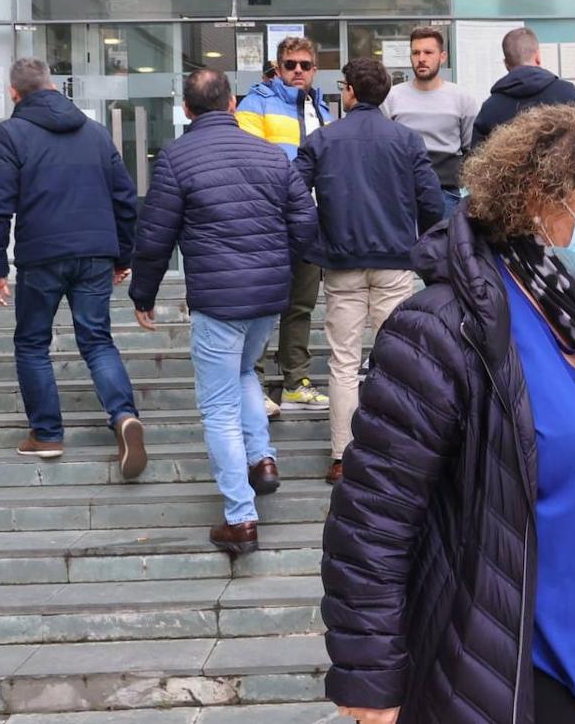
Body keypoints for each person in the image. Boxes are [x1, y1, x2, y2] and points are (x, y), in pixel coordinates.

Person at [321, 102, 575, 724]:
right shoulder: (441, 328)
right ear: (539, 200)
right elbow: (373, 518)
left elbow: (569, 443)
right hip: (504, 669)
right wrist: (371, 677)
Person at [129, 70, 317, 555]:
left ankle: (240, 517)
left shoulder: (176, 158)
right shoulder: (270, 155)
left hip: (217, 301)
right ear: (232, 103)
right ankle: (263, 459)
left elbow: (155, 237)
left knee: (217, 407)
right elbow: (305, 220)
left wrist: (143, 295)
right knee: (244, 375)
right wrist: (283, 267)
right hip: (267, 296)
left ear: (187, 109)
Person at [0, 57, 147, 478]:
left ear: (14, 93)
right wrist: (122, 256)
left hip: (41, 255)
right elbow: (126, 199)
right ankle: (124, 416)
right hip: (94, 252)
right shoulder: (94, 132)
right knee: (96, 340)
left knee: (33, 343)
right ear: (54, 87)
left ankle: (47, 434)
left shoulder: (9, 134)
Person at [293, 58, 443, 485]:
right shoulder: (407, 140)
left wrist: (313, 242)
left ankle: (342, 456)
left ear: (351, 91)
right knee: (398, 360)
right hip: (395, 261)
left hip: (341, 264)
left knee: (343, 362)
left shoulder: (323, 139)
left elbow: (293, 194)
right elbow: (431, 201)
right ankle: (398, 450)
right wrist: (425, 245)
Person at [237, 35, 332, 418]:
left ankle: (295, 381)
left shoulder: (321, 108)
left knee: (301, 305)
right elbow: (245, 161)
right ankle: (253, 383)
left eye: (304, 65)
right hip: (269, 222)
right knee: (262, 304)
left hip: (309, 221)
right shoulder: (256, 102)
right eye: (290, 65)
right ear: (278, 68)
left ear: (314, 70)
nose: (297, 71)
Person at [381, 27, 478, 217]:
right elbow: (384, 147)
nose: (421, 58)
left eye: (428, 52)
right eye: (416, 53)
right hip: (402, 192)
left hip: (447, 193)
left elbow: (470, 148)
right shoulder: (392, 97)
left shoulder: (462, 99)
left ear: (442, 57)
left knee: (446, 246)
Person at [471, 26, 575, 149]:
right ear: (538, 57)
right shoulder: (567, 93)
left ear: (506, 64)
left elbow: (475, 158)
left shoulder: (490, 108)